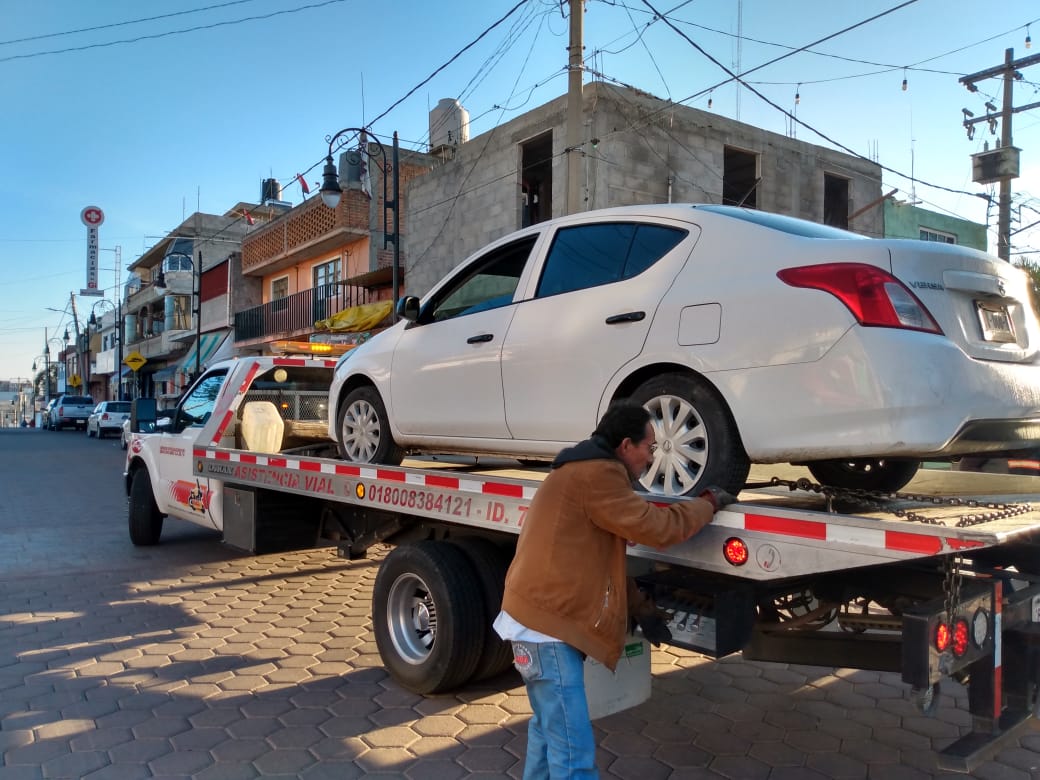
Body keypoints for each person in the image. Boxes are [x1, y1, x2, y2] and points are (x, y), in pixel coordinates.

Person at [494, 400, 736, 779]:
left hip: (532, 621)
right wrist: (706, 504)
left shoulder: (577, 472)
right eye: (650, 447)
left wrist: (640, 608)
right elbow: (657, 529)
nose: (653, 457)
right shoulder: (598, 476)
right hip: (546, 632)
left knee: (547, 737)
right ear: (626, 446)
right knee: (573, 759)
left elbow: (600, 562)